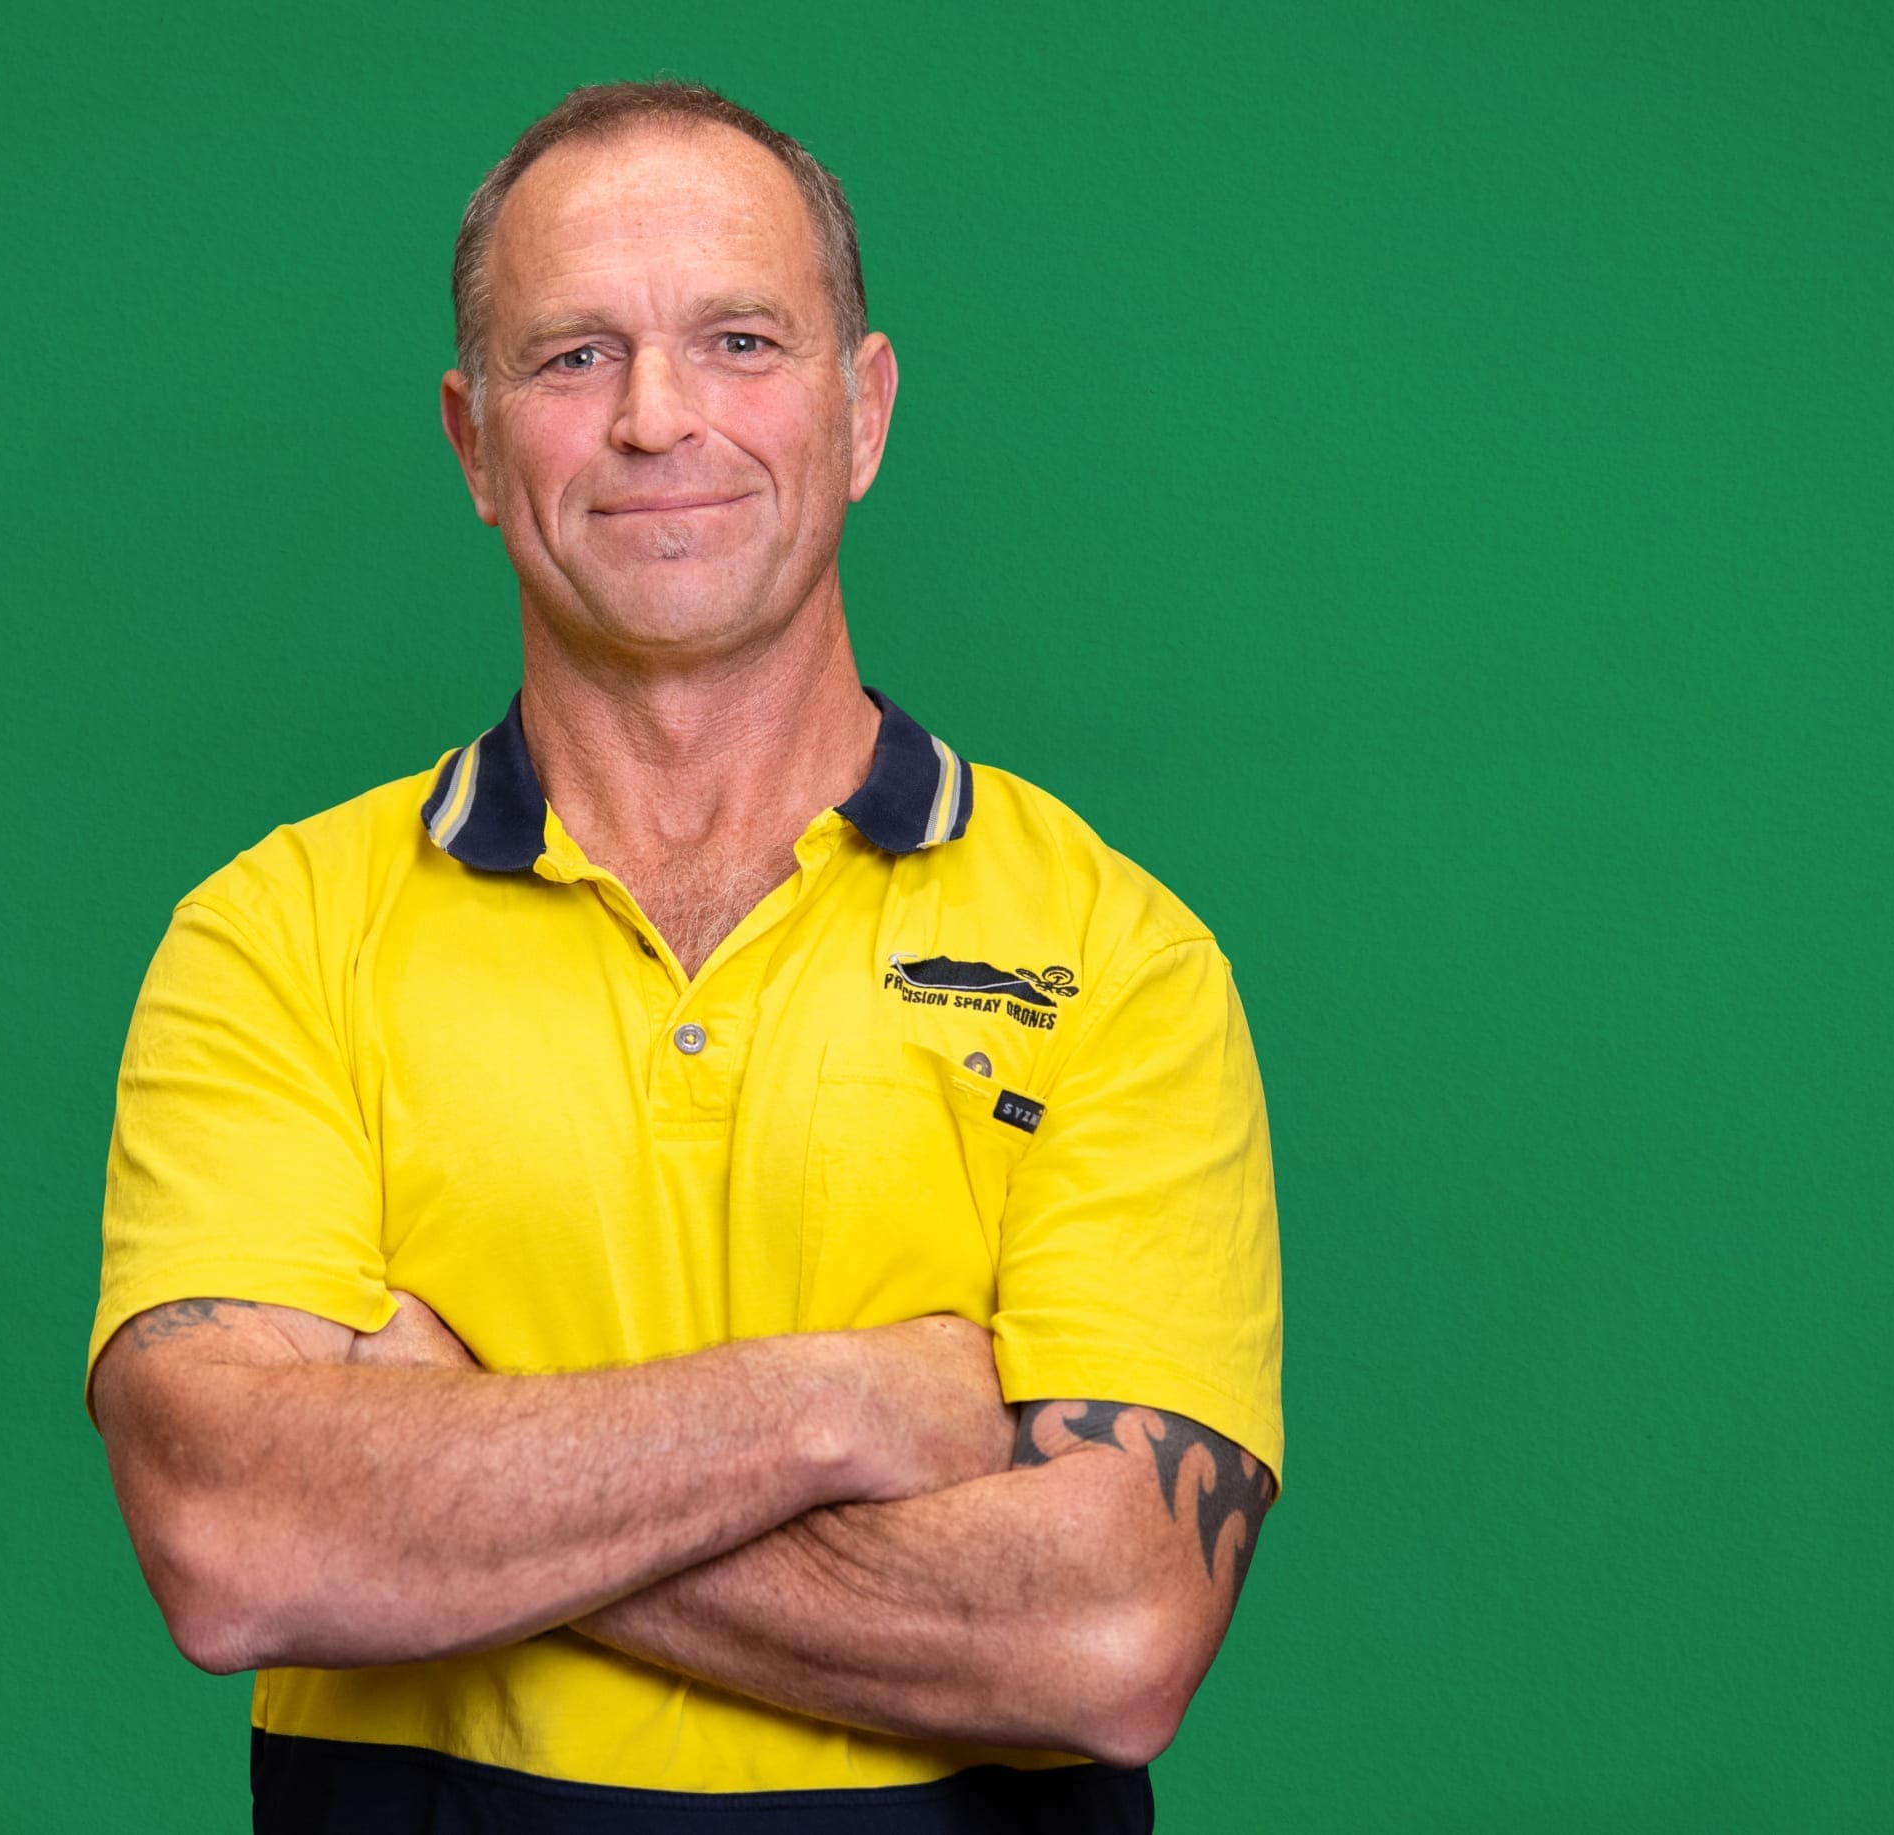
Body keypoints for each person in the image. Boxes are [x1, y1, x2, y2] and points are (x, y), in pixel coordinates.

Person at [87, 79, 1283, 1834]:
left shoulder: (1120, 956)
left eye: (740, 342)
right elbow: (236, 1541)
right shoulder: (274, 939)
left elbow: (1109, 1637)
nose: (658, 419)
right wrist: (842, 1404)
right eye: (574, 357)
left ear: (863, 411)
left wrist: (440, 1467)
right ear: (473, 442)